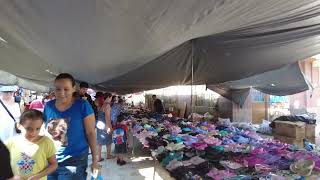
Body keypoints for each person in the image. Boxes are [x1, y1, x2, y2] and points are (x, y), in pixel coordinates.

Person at [43, 73, 98, 180]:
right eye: (58, 89)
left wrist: (95, 160)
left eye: (66, 89)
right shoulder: (48, 106)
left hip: (75, 160)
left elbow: (91, 133)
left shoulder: (82, 105)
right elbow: (45, 132)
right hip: (51, 160)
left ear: (73, 89)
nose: (61, 93)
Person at [6, 109, 57, 180]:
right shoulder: (10, 142)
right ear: (19, 126)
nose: (33, 133)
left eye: (37, 128)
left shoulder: (46, 142)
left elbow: (54, 164)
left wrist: (37, 176)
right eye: (28, 129)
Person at [95, 92, 113, 161]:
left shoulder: (101, 105)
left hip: (99, 124)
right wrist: (109, 127)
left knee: (99, 141)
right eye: (111, 97)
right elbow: (107, 118)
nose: (111, 99)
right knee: (108, 140)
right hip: (105, 125)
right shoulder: (107, 105)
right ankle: (108, 155)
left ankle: (98, 157)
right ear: (109, 97)